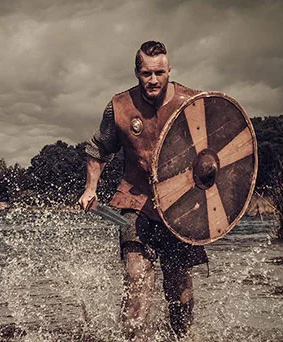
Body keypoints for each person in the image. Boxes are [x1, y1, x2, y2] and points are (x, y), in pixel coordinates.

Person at [78, 41, 208, 339]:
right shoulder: (120, 107)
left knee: (180, 291)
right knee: (138, 280)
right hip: (134, 204)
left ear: (169, 71)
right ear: (137, 72)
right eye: (147, 73)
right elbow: (98, 148)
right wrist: (90, 188)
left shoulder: (192, 101)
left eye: (159, 72)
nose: (153, 80)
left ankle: (180, 338)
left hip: (180, 208)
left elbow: (216, 150)